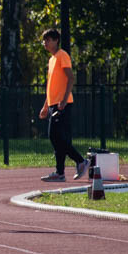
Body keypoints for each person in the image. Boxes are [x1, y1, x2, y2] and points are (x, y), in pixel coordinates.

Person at [38, 28, 89, 182]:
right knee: (57, 138)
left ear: (55, 40)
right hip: (54, 104)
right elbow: (51, 85)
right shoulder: (51, 59)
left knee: (55, 136)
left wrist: (64, 100)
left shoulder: (62, 55)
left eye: (47, 40)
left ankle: (81, 161)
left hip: (63, 104)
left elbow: (70, 78)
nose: (44, 43)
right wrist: (46, 106)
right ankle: (60, 173)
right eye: (44, 40)